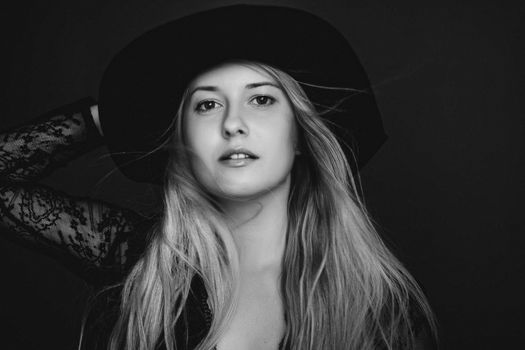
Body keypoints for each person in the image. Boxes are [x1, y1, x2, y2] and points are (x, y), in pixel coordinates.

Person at [0, 4, 437, 350]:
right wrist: (110, 115)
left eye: (262, 100)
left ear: (301, 135)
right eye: (207, 105)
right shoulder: (137, 262)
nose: (233, 124)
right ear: (182, 141)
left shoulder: (380, 308)